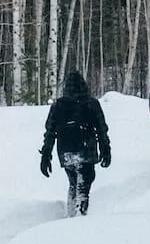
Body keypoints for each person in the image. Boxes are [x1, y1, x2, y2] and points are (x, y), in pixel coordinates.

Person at [39, 70, 111, 216]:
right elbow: (101, 130)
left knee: (73, 182)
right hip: (86, 151)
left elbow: (50, 132)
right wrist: (105, 150)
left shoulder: (58, 105)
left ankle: (72, 213)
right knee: (84, 184)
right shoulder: (91, 103)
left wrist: (46, 156)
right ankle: (79, 216)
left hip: (66, 152)